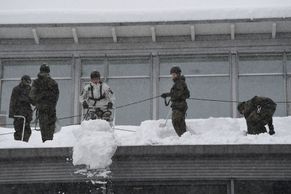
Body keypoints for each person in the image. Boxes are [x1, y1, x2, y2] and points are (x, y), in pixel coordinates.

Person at [30, 64, 59, 142]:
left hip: (45, 109)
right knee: (49, 130)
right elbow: (56, 97)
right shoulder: (53, 82)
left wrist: (38, 102)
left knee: (46, 130)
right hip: (49, 109)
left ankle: (47, 144)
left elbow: (32, 96)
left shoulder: (36, 82)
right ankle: (48, 144)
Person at [161, 66, 190, 137]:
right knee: (180, 123)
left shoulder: (179, 83)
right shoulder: (179, 83)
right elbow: (177, 93)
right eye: (172, 75)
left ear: (178, 74)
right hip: (180, 106)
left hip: (179, 106)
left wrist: (169, 95)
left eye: (174, 75)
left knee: (176, 121)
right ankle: (185, 138)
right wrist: (167, 95)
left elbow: (177, 94)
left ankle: (183, 137)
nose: (172, 76)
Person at [9, 75, 33, 142]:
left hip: (27, 114)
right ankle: (18, 144)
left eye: (29, 82)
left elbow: (33, 101)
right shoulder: (16, 89)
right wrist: (11, 113)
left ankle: (24, 143)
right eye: (27, 81)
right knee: (19, 130)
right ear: (23, 80)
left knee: (27, 131)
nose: (28, 83)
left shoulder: (30, 89)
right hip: (18, 113)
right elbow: (12, 101)